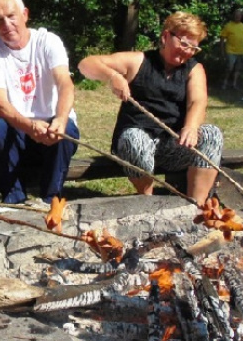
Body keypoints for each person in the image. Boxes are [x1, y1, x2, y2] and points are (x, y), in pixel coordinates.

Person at [78, 11, 223, 208]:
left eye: (194, 48)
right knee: (135, 140)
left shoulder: (194, 69)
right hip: (134, 144)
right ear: (165, 36)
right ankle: (148, 203)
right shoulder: (138, 61)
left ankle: (196, 208)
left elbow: (197, 102)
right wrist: (113, 76)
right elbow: (86, 64)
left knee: (212, 134)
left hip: (173, 145)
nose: (188, 51)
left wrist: (190, 127)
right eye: (184, 44)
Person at [0, 0, 79, 206]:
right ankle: (14, 199)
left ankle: (51, 200)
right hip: (20, 131)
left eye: (11, 16)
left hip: (54, 130)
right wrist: (29, 126)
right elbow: (0, 103)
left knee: (68, 130)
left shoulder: (47, 41)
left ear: (25, 14)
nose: (6, 24)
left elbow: (65, 83)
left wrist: (60, 120)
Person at [220, 9, 243, 90]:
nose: (237, 17)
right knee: (229, 67)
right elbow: (222, 39)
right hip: (230, 50)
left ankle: (234, 84)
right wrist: (222, 50)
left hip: (241, 51)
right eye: (236, 15)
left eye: (239, 15)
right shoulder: (228, 26)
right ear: (233, 16)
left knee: (238, 68)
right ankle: (225, 82)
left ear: (241, 17)